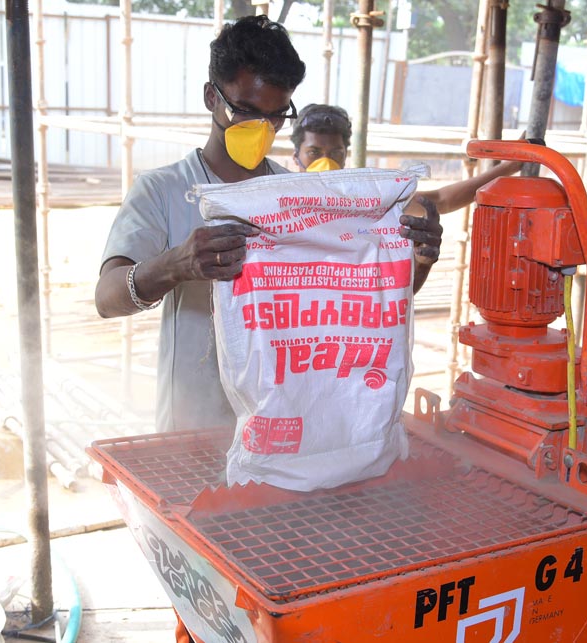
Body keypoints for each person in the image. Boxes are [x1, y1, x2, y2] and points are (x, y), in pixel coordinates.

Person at [94, 18, 441, 643]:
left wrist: (413, 262)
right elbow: (108, 296)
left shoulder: (301, 195)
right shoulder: (166, 192)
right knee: (205, 601)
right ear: (212, 98)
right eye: (247, 110)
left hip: (289, 444)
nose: (264, 130)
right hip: (195, 438)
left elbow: (358, 305)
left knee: (279, 599)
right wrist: (177, 262)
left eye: (278, 116)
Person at [290, 103, 527, 215]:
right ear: (295, 158)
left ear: (345, 157)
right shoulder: (277, 202)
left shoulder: (363, 201)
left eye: (335, 153)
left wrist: (508, 167)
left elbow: (441, 200)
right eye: (314, 153)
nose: (326, 162)